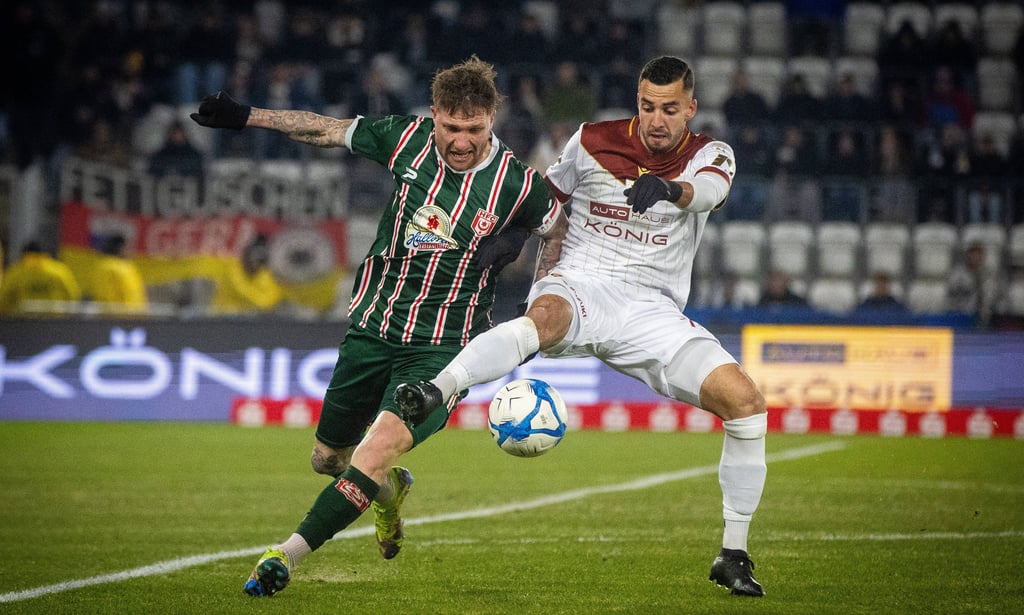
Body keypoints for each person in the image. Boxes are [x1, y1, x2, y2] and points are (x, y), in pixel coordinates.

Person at [394, 56, 768, 598]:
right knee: (542, 319)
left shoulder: (712, 154)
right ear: (636, 101)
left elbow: (708, 192)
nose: (656, 119)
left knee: (746, 404)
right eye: (647, 106)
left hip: (653, 310)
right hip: (582, 282)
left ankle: (733, 555)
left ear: (690, 108)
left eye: (669, 109)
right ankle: (436, 389)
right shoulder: (592, 140)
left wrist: (670, 190)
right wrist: (515, 238)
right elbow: (545, 197)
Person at [190, 55, 562, 596]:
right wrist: (247, 116)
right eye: (451, 128)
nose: (461, 142)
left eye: (474, 130)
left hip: (444, 349)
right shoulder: (406, 138)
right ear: (433, 115)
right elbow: (326, 129)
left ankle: (284, 556)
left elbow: (558, 230)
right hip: (374, 326)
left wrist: (526, 261)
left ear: (492, 119)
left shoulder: (518, 183)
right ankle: (389, 495)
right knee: (328, 460)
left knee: (377, 449)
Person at [209, 234, 284, 316]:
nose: (257, 262)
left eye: (261, 259)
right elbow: (245, 294)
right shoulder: (232, 270)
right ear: (246, 254)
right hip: (222, 318)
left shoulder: (264, 274)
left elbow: (268, 301)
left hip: (248, 320)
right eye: (254, 256)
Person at [0, 240, 81, 314]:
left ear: (23, 254)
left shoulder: (16, 273)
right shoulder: (59, 271)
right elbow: (73, 295)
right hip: (54, 321)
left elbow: (3, 300)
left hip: (24, 322)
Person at [88, 234, 148, 314]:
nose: (132, 251)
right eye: (128, 247)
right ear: (120, 248)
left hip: (133, 316)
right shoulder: (107, 266)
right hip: (115, 317)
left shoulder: (128, 266)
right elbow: (106, 295)